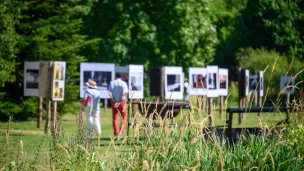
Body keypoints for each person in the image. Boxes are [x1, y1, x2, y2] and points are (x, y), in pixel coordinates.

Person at [108, 72, 129, 136]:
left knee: (114, 118)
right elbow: (124, 93)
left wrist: (114, 101)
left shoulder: (112, 82)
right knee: (123, 117)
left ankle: (116, 132)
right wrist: (119, 101)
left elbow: (110, 93)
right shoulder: (123, 83)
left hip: (114, 101)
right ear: (121, 76)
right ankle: (121, 131)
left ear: (115, 76)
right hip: (121, 102)